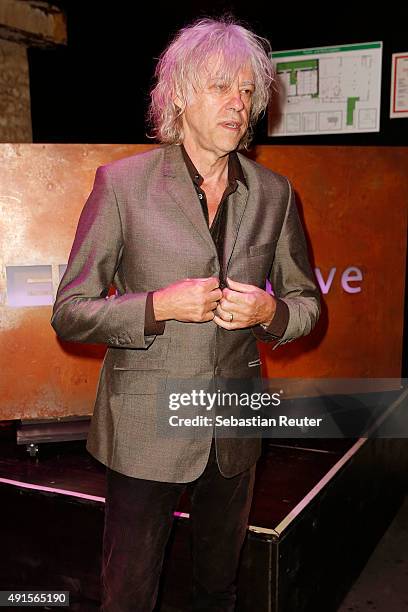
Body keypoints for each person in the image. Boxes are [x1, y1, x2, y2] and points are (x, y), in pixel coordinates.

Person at [51, 16, 320, 612]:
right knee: (129, 596)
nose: (239, 103)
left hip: (234, 426)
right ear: (179, 94)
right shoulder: (121, 185)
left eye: (248, 90)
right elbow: (69, 312)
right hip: (147, 427)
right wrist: (157, 306)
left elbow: (308, 307)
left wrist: (271, 312)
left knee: (217, 590)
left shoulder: (275, 192)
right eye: (222, 86)